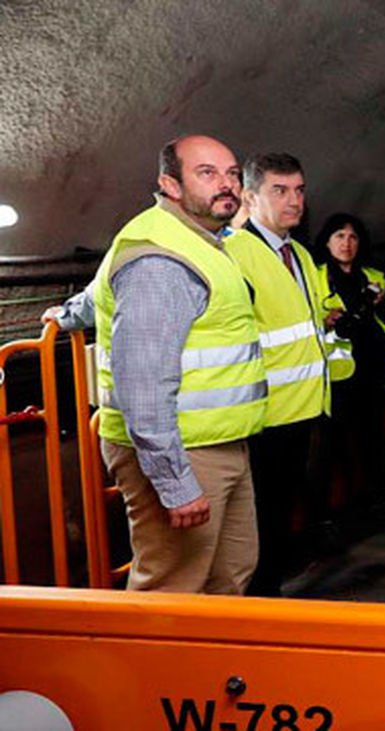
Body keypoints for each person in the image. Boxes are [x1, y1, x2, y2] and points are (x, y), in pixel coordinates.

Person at [46, 134, 267, 593]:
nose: (225, 185)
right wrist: (174, 482)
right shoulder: (161, 261)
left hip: (217, 440)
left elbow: (97, 293)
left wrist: (68, 314)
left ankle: (208, 667)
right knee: (172, 589)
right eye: (206, 174)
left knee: (229, 576)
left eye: (231, 174)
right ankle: (143, 668)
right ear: (170, 184)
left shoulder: (194, 239)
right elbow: (141, 384)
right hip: (181, 449)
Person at [223, 152, 333, 596]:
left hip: (303, 409)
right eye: (280, 190)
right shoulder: (235, 254)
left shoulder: (300, 254)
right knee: (259, 522)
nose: (294, 201)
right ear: (250, 196)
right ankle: (260, 609)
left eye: (300, 190)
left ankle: (273, 601)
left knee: (281, 514)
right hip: (264, 415)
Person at [315, 213, 385, 513]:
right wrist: (325, 321)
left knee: (374, 439)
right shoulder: (315, 276)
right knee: (335, 445)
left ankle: (378, 496)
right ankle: (336, 508)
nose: (347, 243)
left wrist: (384, 305)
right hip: (340, 376)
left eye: (353, 237)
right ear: (327, 241)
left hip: (373, 369)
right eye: (340, 236)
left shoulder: (374, 276)